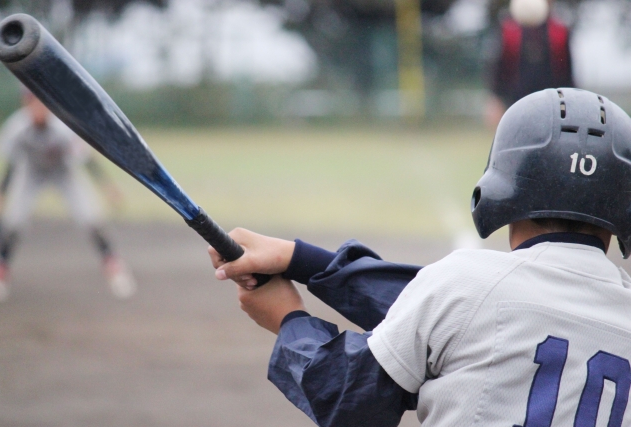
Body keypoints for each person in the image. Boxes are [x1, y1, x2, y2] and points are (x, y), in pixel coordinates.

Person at [209, 88, 631, 426]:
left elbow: (348, 402)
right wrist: (301, 260)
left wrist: (288, 320)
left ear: (505, 187)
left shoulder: (468, 283)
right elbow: (440, 315)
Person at [0, 90, 136, 302]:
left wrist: (107, 187)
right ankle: (0, 272)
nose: (39, 109)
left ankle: (114, 268)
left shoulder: (64, 127)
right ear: (25, 104)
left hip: (64, 173)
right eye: (34, 103)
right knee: (14, 222)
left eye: (43, 103)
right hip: (31, 173)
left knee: (91, 218)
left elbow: (86, 159)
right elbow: (11, 165)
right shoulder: (16, 128)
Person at [485, 0, 574, 128]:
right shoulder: (509, 31)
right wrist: (495, 100)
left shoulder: (559, 32)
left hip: (551, 106)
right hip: (516, 103)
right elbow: (499, 70)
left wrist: (569, 105)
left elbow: (567, 75)